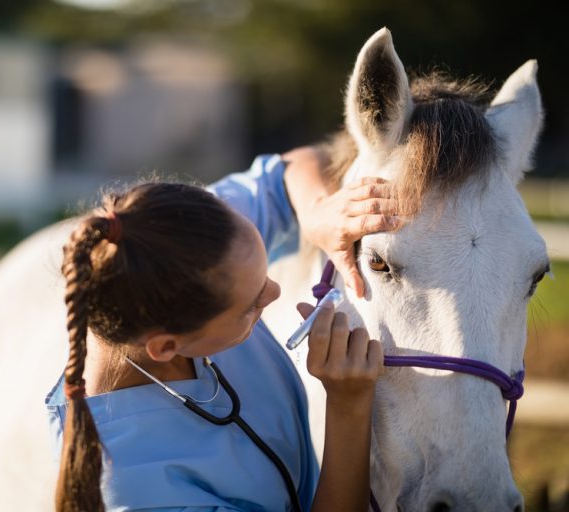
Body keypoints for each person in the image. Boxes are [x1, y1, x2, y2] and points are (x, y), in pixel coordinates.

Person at [45, 146, 401, 511]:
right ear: (167, 347)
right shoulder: (137, 490)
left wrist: (317, 213)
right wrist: (349, 406)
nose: (274, 292)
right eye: (251, 306)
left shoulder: (191, 237)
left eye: (266, 275)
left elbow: (296, 167)